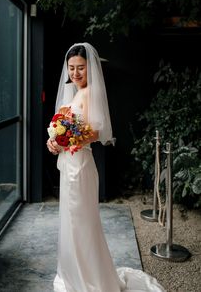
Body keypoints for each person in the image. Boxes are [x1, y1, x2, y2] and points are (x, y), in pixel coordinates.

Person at [46, 42, 165, 292]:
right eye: (71, 68)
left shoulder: (90, 93)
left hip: (80, 166)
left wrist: (68, 138)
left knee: (83, 223)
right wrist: (54, 140)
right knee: (70, 221)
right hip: (69, 163)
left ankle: (92, 280)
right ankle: (74, 274)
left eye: (81, 68)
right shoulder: (74, 93)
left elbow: (97, 131)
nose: (76, 73)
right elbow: (65, 128)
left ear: (90, 68)